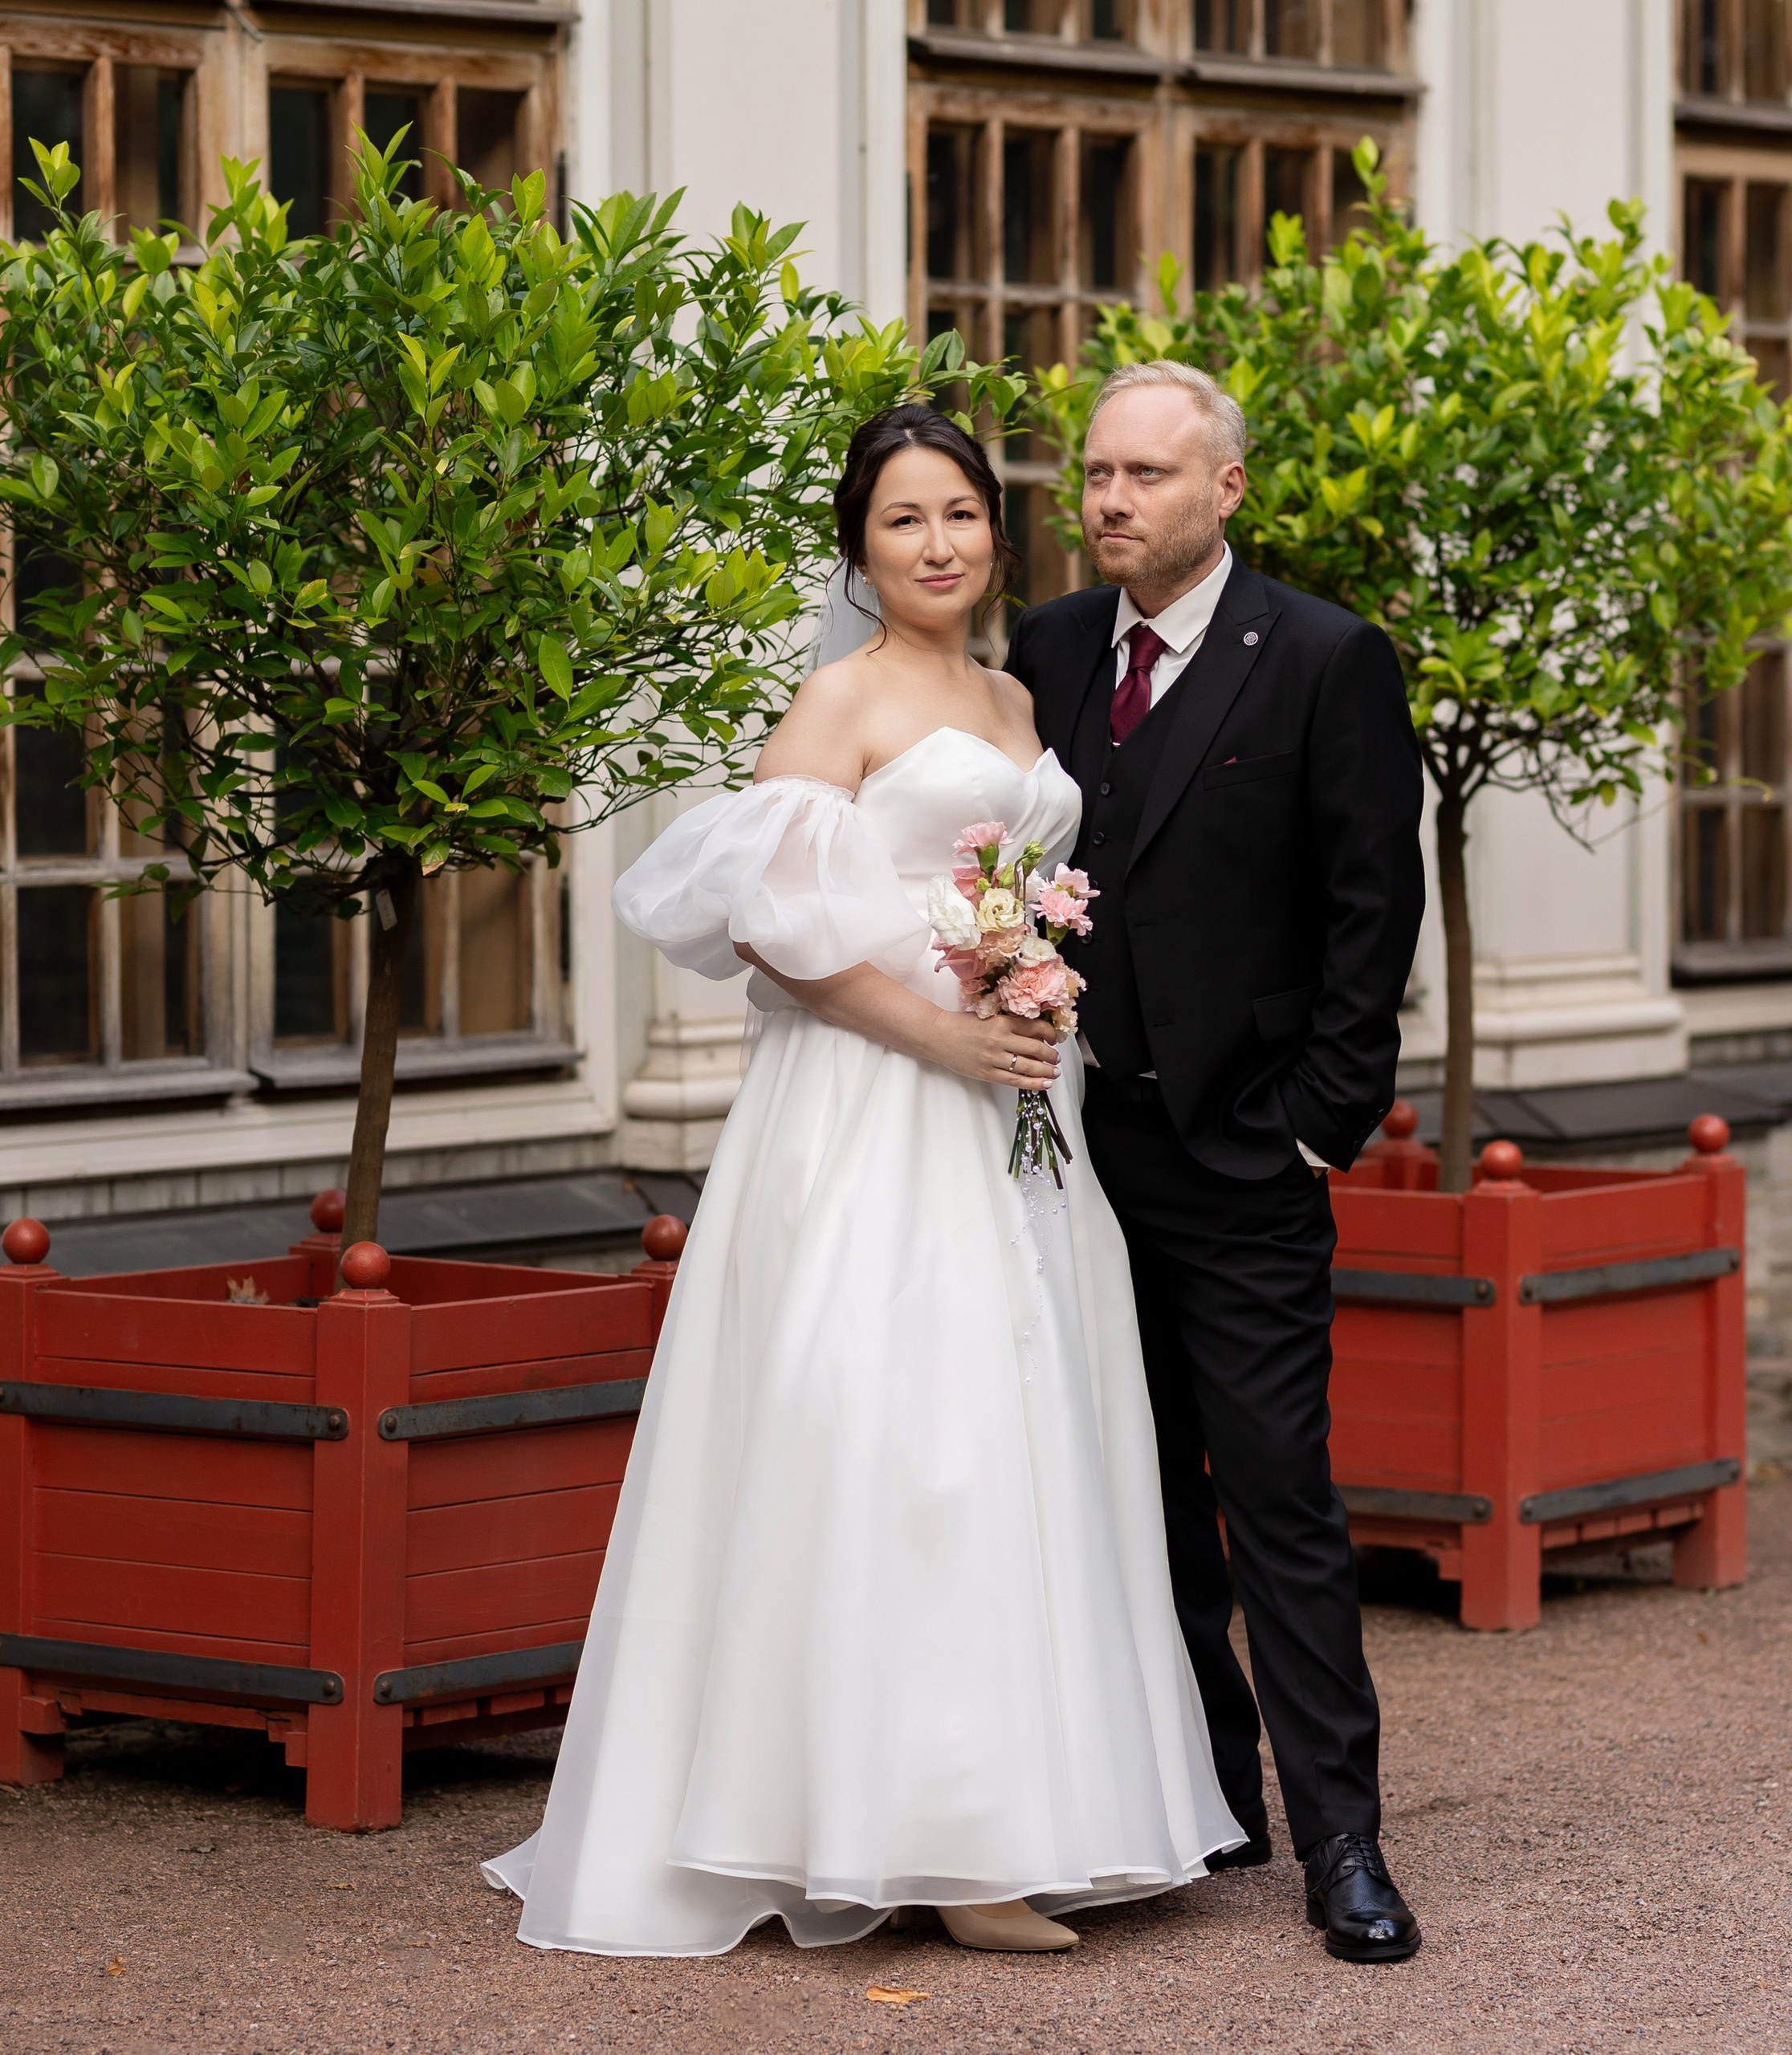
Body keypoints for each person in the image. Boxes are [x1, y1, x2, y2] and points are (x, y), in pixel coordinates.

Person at [483, 403, 1241, 1957]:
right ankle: (926, 1839)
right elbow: (767, 923)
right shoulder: (834, 702)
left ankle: (1023, 1811)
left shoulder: (1022, 692)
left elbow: (1019, 890)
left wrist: (1024, 995)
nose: (938, 543)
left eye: (959, 512)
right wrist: (938, 1034)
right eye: (902, 519)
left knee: (1029, 1432)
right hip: (875, 1105)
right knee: (909, 1440)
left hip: (1018, 1112)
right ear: (860, 544)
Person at [1004, 360, 1428, 1963]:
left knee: (1275, 1496)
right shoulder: (1045, 648)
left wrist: (1319, 1121)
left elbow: (1368, 912)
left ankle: (1342, 1844)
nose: (1110, 499)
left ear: (1224, 491)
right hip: (1070, 1153)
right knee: (1137, 1494)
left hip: (1245, 1156)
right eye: (1096, 473)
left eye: (1146, 476)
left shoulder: (1323, 658)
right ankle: (1211, 1783)